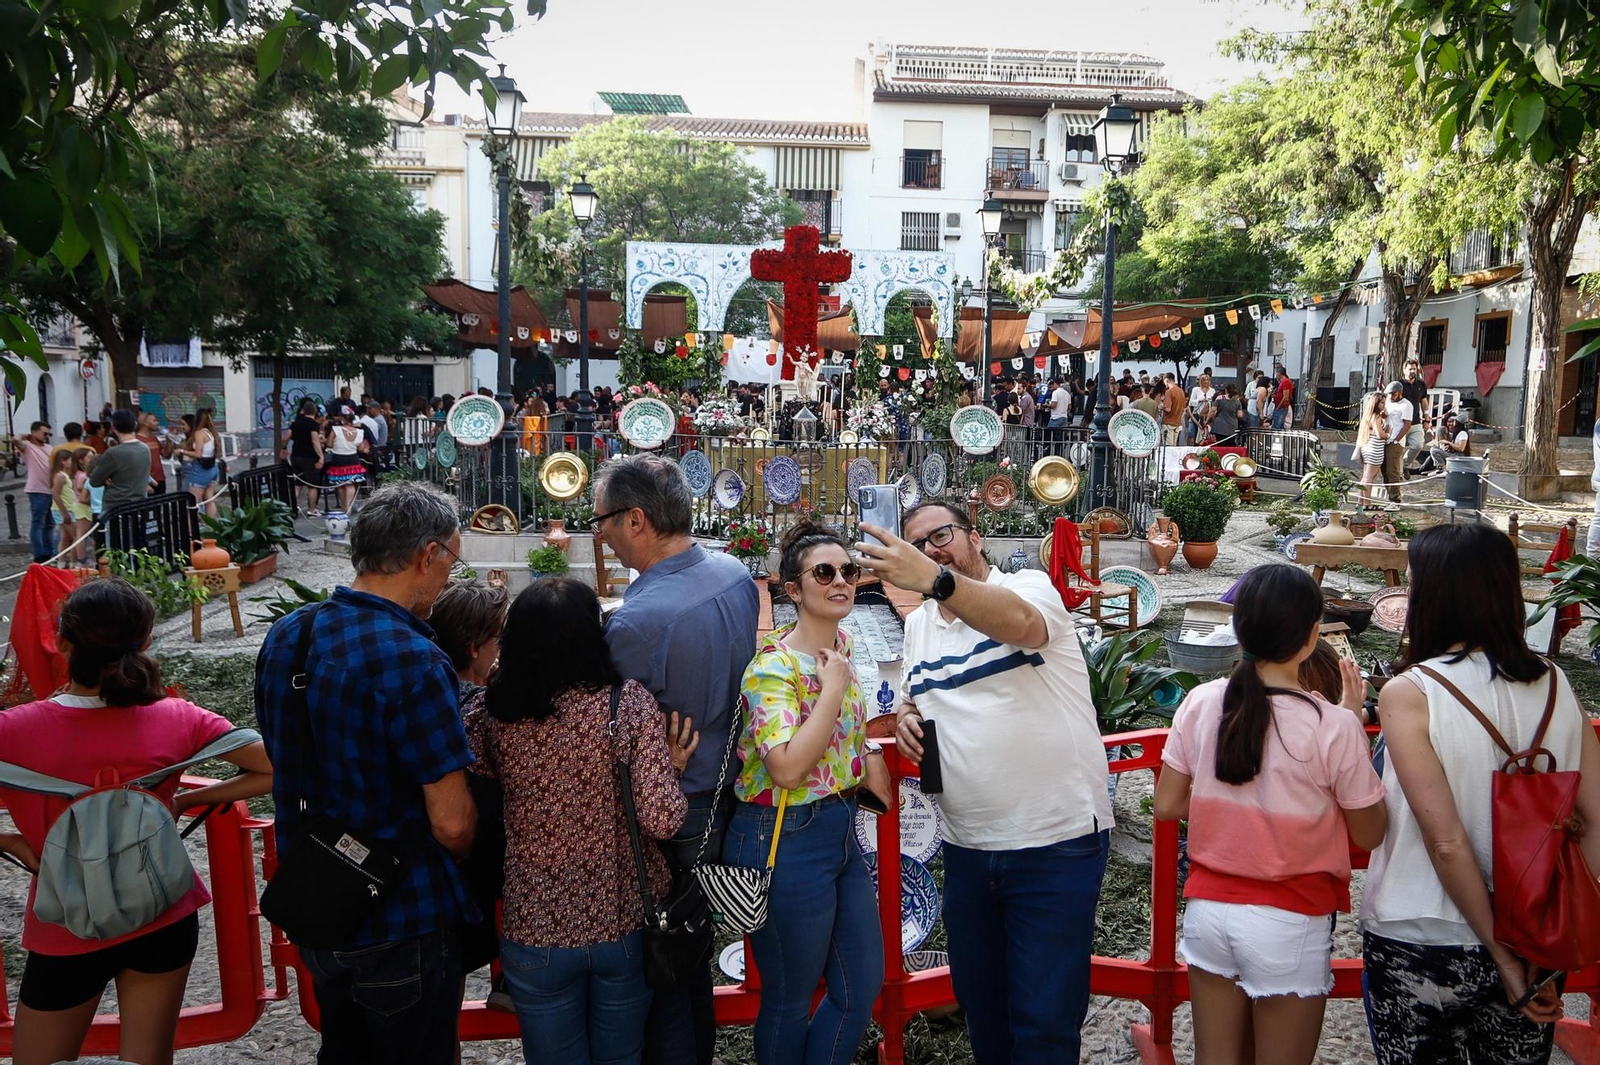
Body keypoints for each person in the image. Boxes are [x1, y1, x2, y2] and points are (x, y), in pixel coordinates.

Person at [866, 502, 1113, 1064]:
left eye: (941, 536)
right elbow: (914, 693)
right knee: (985, 1016)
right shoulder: (921, 626)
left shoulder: (1026, 587)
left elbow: (1022, 625)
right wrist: (906, 716)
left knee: (1044, 1025)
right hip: (969, 849)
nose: (931, 552)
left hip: (1054, 841)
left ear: (975, 537)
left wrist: (935, 580)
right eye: (917, 546)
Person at [0, 579, 273, 1065]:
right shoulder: (180, 718)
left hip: (67, 925)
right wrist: (189, 800)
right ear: (146, 641)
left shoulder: (13, 731)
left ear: (61, 642)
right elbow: (276, 767)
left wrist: (12, 842)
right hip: (162, 911)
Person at [255, 482, 477, 1064]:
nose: (450, 577)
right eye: (452, 560)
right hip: (403, 912)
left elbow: (284, 753)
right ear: (427, 555)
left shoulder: (291, 634)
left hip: (316, 896)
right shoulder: (415, 659)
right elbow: (452, 824)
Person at [1361, 524, 1600, 1063]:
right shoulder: (1557, 683)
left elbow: (1445, 842)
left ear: (1435, 596)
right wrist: (1541, 939)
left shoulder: (1411, 692)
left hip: (1420, 932)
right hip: (1534, 935)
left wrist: (1501, 953)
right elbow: (1596, 822)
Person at [1153, 566, 1385, 1065]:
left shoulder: (1201, 702)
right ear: (1312, 637)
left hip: (1208, 915)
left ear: (1240, 629)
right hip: (1290, 920)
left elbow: (1167, 804)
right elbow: (1370, 832)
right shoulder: (1333, 725)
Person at [469, 578, 688, 1065]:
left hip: (535, 923)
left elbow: (474, 780)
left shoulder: (492, 712)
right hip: (622, 920)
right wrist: (671, 767)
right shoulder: (626, 705)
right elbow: (662, 819)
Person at [595, 454, 760, 1065]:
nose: (601, 537)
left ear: (636, 520)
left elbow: (606, 728)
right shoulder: (733, 572)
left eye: (603, 522)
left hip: (670, 802)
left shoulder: (639, 622)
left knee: (660, 958)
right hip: (724, 785)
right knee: (688, 948)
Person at [726, 522, 889, 1065]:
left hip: (838, 828)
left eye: (848, 571)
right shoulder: (772, 668)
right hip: (784, 833)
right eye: (824, 572)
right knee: (790, 1000)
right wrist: (833, 691)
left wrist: (869, 750)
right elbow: (788, 768)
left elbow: (845, 728)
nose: (840, 581)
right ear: (793, 589)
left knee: (860, 985)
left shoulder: (839, 647)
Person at [429, 580, 512, 1010]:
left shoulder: (430, 693)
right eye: (500, 637)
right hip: (476, 864)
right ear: (476, 647)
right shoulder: (485, 708)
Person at [90, 410, 155, 516]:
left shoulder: (113, 453)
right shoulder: (145, 449)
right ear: (135, 425)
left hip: (116, 507)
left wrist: (106, 479)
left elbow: (94, 481)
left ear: (114, 427)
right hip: (139, 504)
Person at [14, 422, 56, 563]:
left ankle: (48, 553)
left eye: (49, 434)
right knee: (38, 523)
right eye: (44, 433)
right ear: (34, 432)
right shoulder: (28, 448)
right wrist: (25, 436)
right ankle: (38, 555)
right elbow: (15, 440)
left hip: (50, 490)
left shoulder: (49, 448)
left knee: (50, 524)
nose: (47, 436)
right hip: (37, 490)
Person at [173, 409, 220, 517]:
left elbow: (198, 454)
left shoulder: (199, 433)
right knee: (208, 499)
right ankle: (210, 525)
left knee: (192, 503)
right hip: (212, 468)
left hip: (201, 470)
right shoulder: (210, 432)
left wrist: (182, 451)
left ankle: (191, 527)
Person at [284, 398, 325, 514]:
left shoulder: (295, 423)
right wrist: (321, 456)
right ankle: (312, 510)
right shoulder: (313, 424)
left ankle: (291, 509)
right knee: (312, 485)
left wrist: (283, 448)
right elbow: (315, 441)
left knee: (297, 484)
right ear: (315, 411)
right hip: (309, 457)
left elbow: (285, 437)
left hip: (296, 456)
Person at [50, 448, 91, 564]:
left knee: (65, 538)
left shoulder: (67, 476)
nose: (72, 464)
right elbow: (56, 495)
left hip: (68, 509)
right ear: (63, 461)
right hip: (63, 510)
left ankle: (62, 563)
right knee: (76, 537)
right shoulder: (60, 476)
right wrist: (65, 513)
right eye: (70, 461)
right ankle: (73, 562)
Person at [322, 410, 366, 513]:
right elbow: (361, 448)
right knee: (350, 484)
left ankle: (344, 507)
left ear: (343, 419)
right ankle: (349, 506)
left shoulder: (336, 430)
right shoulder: (360, 432)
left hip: (338, 458)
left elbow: (329, 444)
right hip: (353, 459)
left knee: (340, 484)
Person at [1352, 392, 1388, 510]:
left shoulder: (1368, 416)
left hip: (1367, 447)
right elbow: (1380, 435)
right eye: (1382, 403)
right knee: (1369, 477)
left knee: (1365, 477)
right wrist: (1389, 433)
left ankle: (1361, 501)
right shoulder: (1375, 416)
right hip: (1375, 449)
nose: (1384, 405)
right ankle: (1367, 503)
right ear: (1376, 403)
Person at [1381, 381, 1412, 505]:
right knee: (1384, 469)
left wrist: (1396, 440)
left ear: (1400, 392)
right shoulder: (1388, 403)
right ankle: (1390, 494)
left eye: (1393, 394)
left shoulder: (1406, 405)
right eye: (1389, 394)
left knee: (1392, 470)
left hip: (1395, 441)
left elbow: (1407, 424)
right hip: (1385, 439)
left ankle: (1395, 498)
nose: (1391, 396)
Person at [1400, 359, 1429, 474]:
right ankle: (1397, 470)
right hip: (1400, 423)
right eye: (1410, 369)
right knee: (1397, 447)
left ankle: (1404, 465)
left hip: (1416, 422)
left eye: (1414, 369)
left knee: (1418, 445)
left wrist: (1427, 419)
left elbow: (1424, 402)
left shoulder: (1421, 384)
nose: (1412, 371)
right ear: (1404, 370)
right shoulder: (1399, 385)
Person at [136, 413, 171, 496]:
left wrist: (169, 441)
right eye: (154, 421)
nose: (157, 423)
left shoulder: (154, 438)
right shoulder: (137, 440)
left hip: (160, 478)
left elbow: (166, 454)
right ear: (145, 423)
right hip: (147, 480)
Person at [1188, 373, 1217, 445]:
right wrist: (1199, 400)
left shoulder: (1212, 390)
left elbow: (1214, 402)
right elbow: (1191, 402)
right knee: (1193, 433)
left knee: (1206, 432)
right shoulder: (1195, 390)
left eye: (1207, 380)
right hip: (1197, 414)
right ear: (1200, 381)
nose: (1206, 381)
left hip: (1207, 414)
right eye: (1204, 380)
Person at [1161, 374, 1187, 446]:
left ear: (1167, 380)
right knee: (1174, 447)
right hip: (1177, 423)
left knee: (1167, 448)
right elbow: (1183, 408)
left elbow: (1168, 409)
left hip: (1168, 423)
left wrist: (1161, 407)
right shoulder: (1181, 391)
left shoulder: (1169, 392)